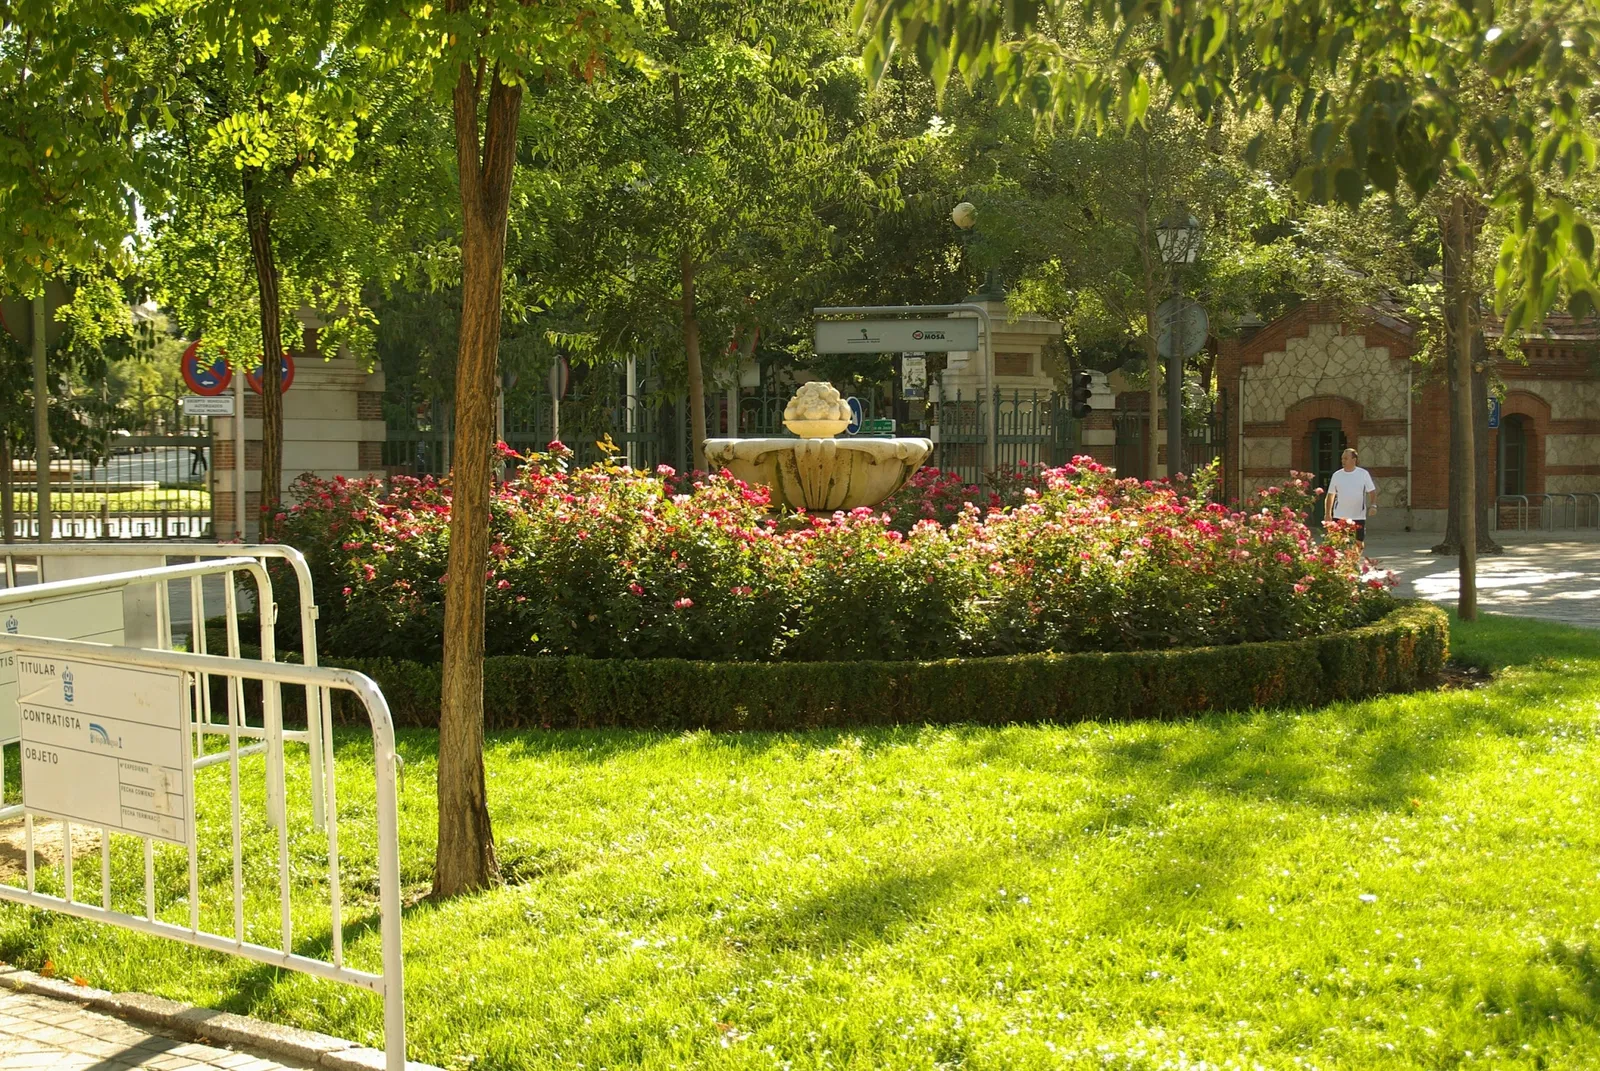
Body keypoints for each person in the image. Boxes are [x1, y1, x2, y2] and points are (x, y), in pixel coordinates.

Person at [1324, 447, 1377, 545]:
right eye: (1342, 458)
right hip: (1340, 515)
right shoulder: (1337, 475)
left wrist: (1373, 505)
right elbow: (1330, 495)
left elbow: (1372, 491)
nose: (1343, 461)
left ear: (1354, 460)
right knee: (1340, 543)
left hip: (1358, 515)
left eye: (1346, 458)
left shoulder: (1363, 474)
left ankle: (1356, 559)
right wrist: (1327, 514)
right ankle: (1342, 560)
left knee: (1358, 542)